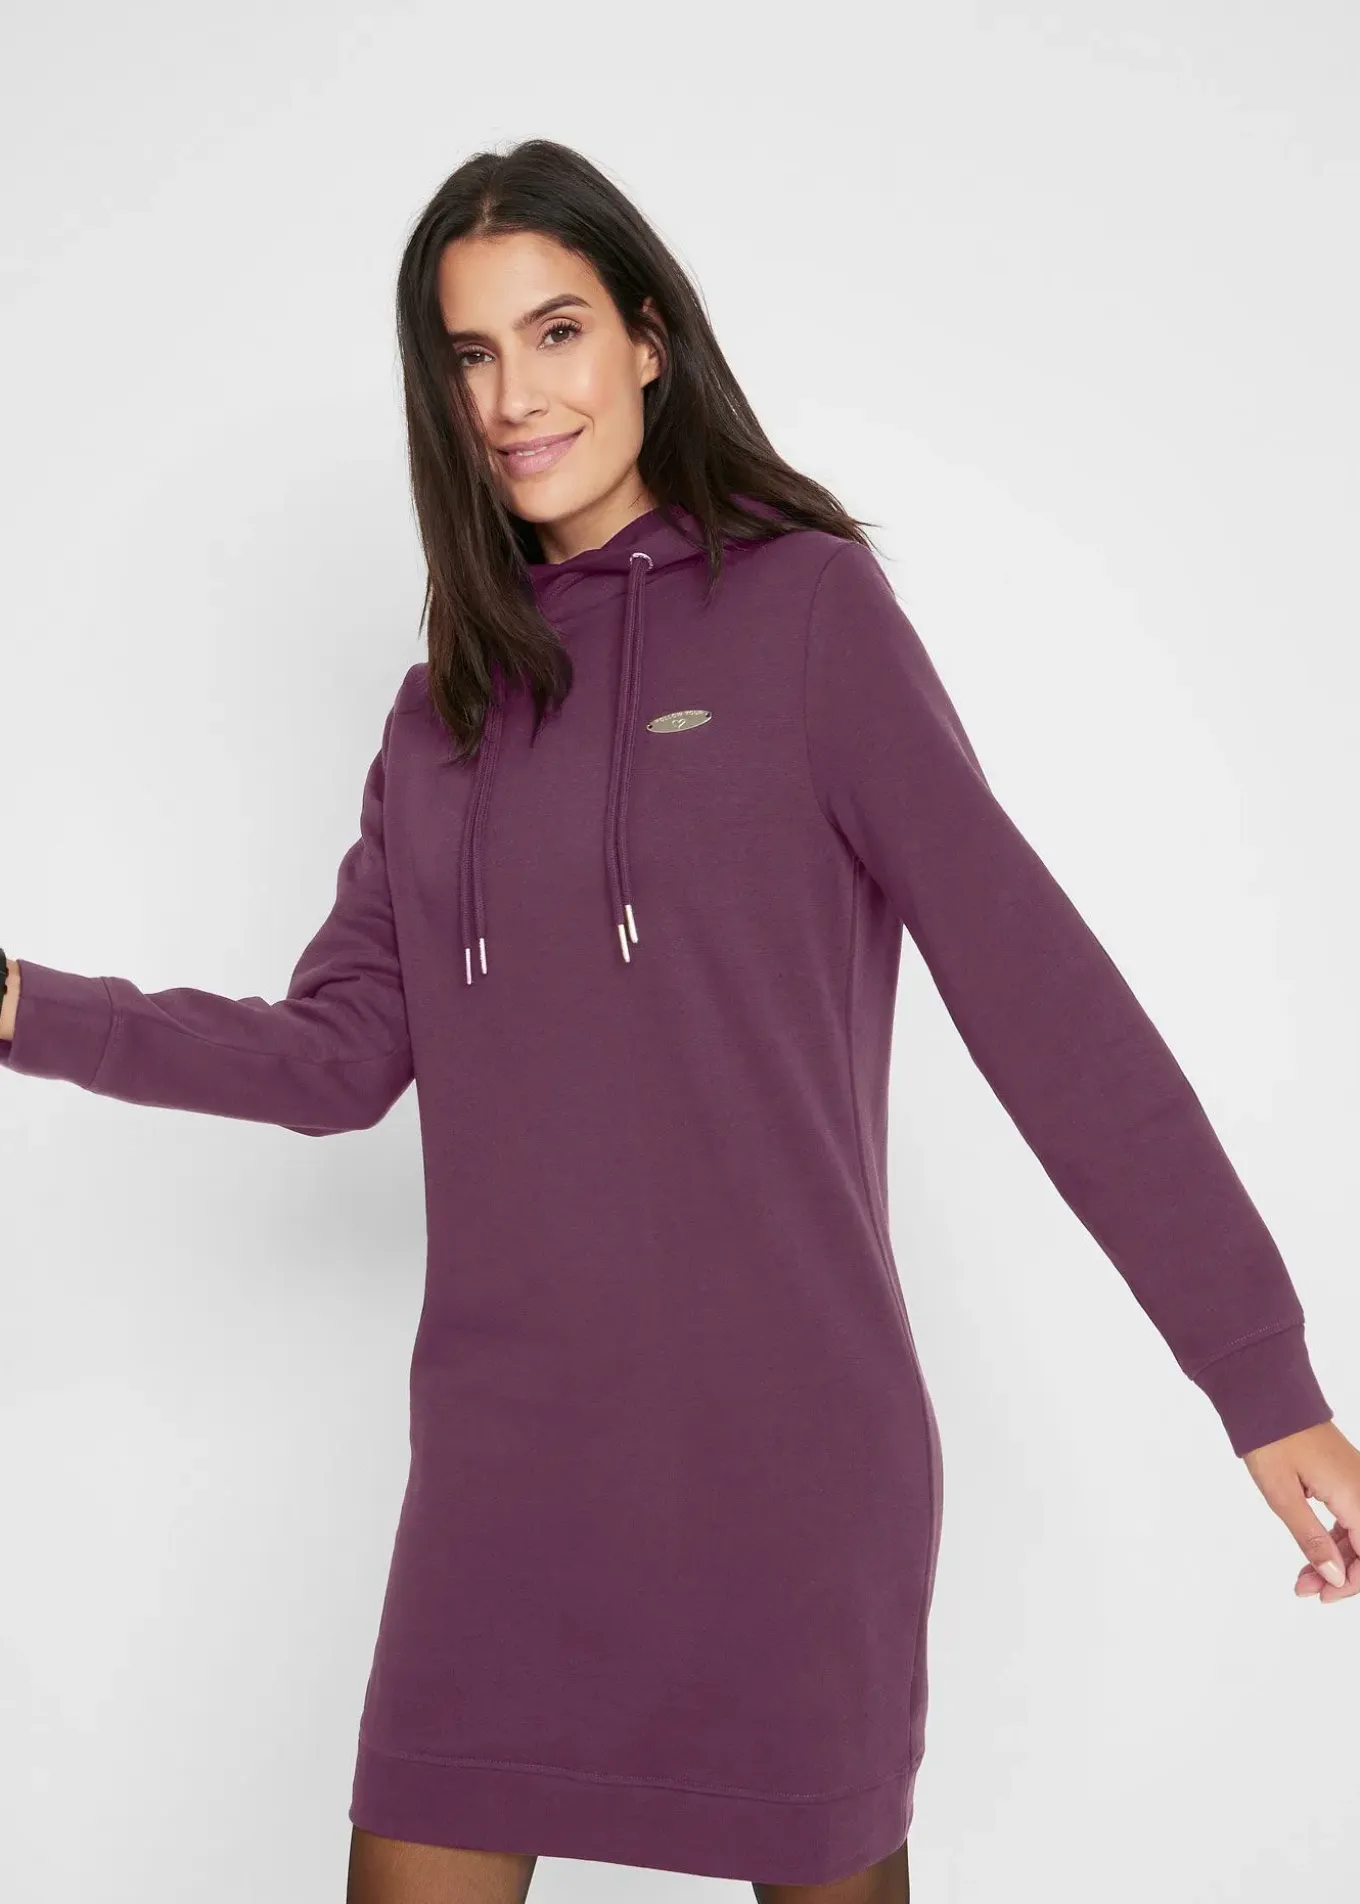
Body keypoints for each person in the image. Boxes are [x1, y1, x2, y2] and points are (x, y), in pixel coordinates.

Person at [2, 137, 1355, 1904]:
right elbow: (333, 1060)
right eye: (470, 355)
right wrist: (23, 1004)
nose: (515, 397)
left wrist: (1259, 1376)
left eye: (556, 332)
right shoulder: (443, 714)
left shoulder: (807, 613)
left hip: (787, 1462)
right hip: (504, 1472)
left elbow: (1043, 997)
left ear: (649, 339)